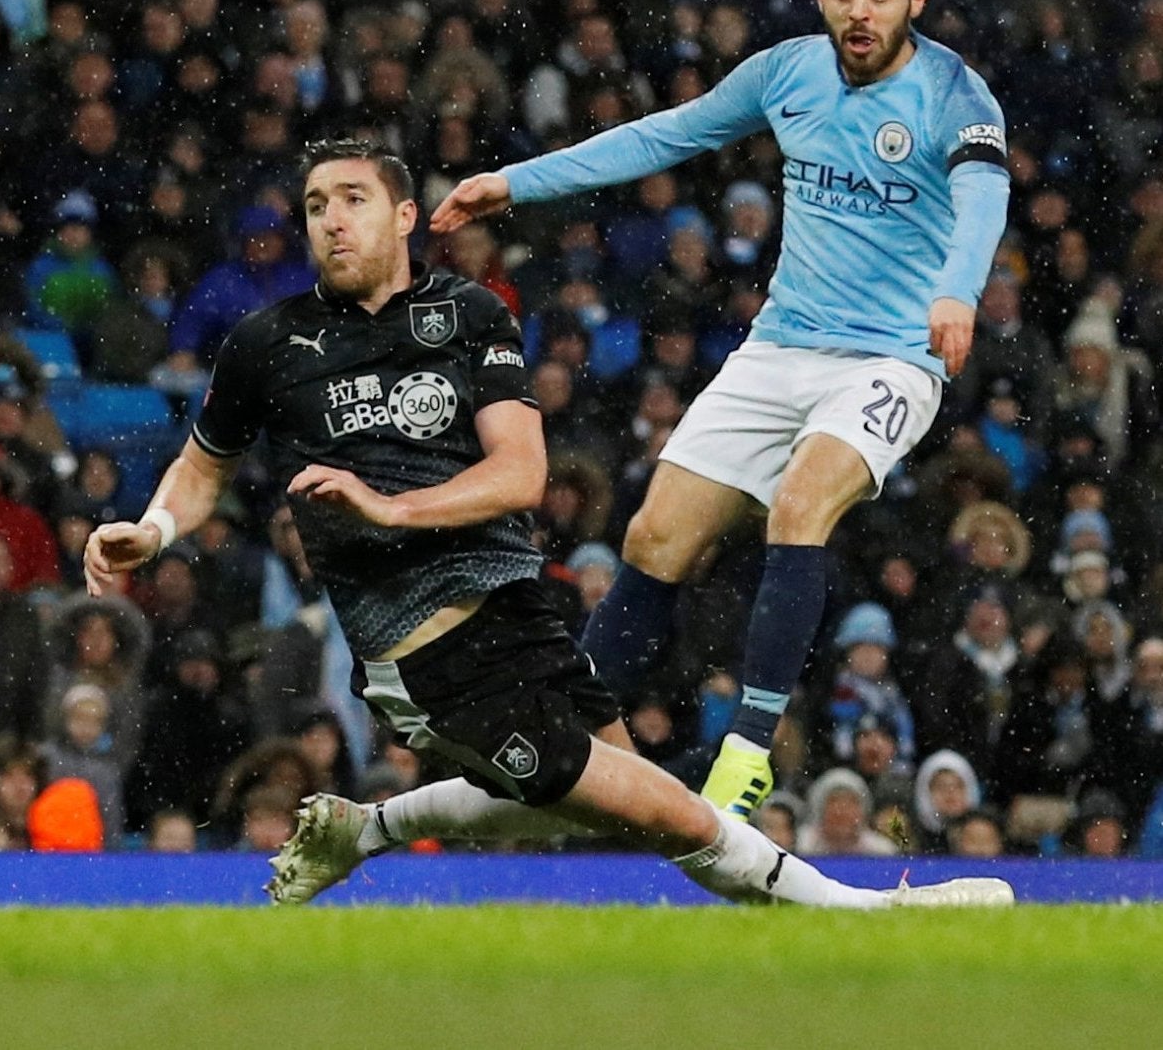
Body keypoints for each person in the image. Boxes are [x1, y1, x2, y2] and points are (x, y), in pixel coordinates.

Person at [87, 137, 1008, 907]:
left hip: (518, 613)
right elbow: (200, 469)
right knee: (675, 813)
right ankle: (874, 913)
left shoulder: (468, 313)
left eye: (353, 199)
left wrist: (390, 505)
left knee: (617, 802)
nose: (330, 218)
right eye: (316, 203)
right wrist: (155, 530)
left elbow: (520, 474)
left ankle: (365, 828)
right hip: (426, 655)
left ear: (404, 216)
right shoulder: (266, 345)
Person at [432, 0, 1011, 816]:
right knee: (653, 537)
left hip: (890, 360)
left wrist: (956, 292)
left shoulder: (954, 94)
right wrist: (516, 180)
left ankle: (746, 750)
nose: (860, 11)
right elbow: (662, 136)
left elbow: (981, 200)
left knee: (799, 500)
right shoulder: (787, 70)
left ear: (916, 0)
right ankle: (566, 734)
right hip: (779, 347)